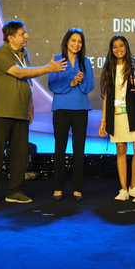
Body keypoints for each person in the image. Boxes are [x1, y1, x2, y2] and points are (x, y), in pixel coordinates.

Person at [0, 21, 66, 204]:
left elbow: (28, 81)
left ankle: (15, 191)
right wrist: (48, 68)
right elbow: (19, 73)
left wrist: (30, 106)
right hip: (1, 111)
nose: (27, 36)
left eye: (25, 33)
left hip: (21, 112)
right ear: (10, 37)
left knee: (20, 155)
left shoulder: (24, 54)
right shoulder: (0, 53)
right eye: (22, 34)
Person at [47, 28, 95, 201]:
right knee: (60, 148)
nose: (77, 44)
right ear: (66, 41)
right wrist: (71, 83)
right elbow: (52, 85)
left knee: (79, 149)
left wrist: (80, 82)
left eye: (80, 41)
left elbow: (90, 85)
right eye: (73, 40)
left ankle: (77, 188)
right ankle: (58, 188)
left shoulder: (85, 62)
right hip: (61, 108)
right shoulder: (57, 60)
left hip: (80, 108)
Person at [98, 34, 135, 201]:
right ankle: (123, 189)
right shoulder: (109, 68)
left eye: (121, 45)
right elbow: (106, 96)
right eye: (115, 46)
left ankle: (134, 187)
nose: (118, 49)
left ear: (126, 47)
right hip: (117, 114)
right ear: (112, 50)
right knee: (121, 150)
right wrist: (103, 120)